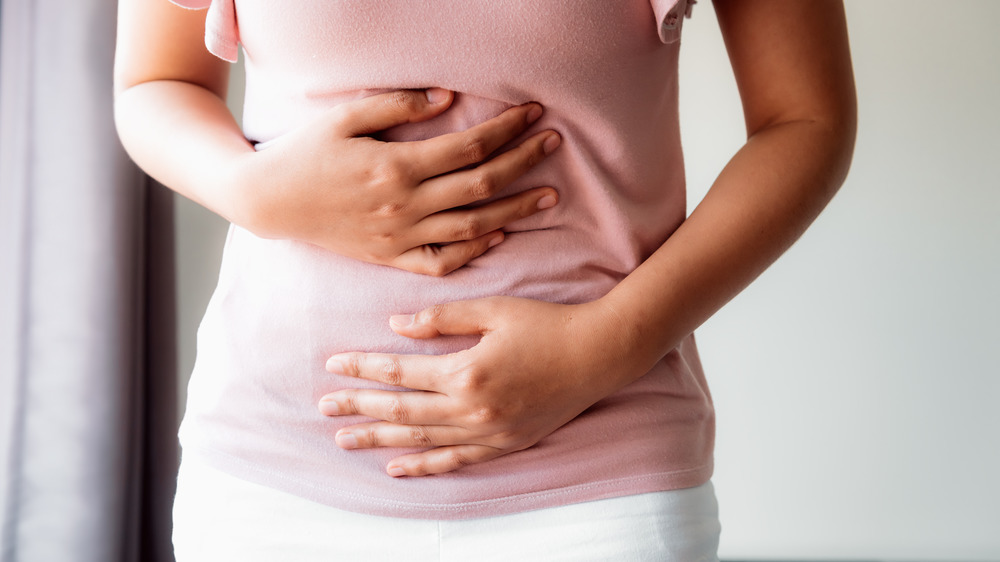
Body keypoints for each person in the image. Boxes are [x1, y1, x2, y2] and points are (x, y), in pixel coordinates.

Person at [114, 0, 856, 560]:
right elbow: (155, 79)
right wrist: (253, 191)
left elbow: (806, 119)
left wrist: (607, 344)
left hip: (596, 490)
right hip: (272, 481)